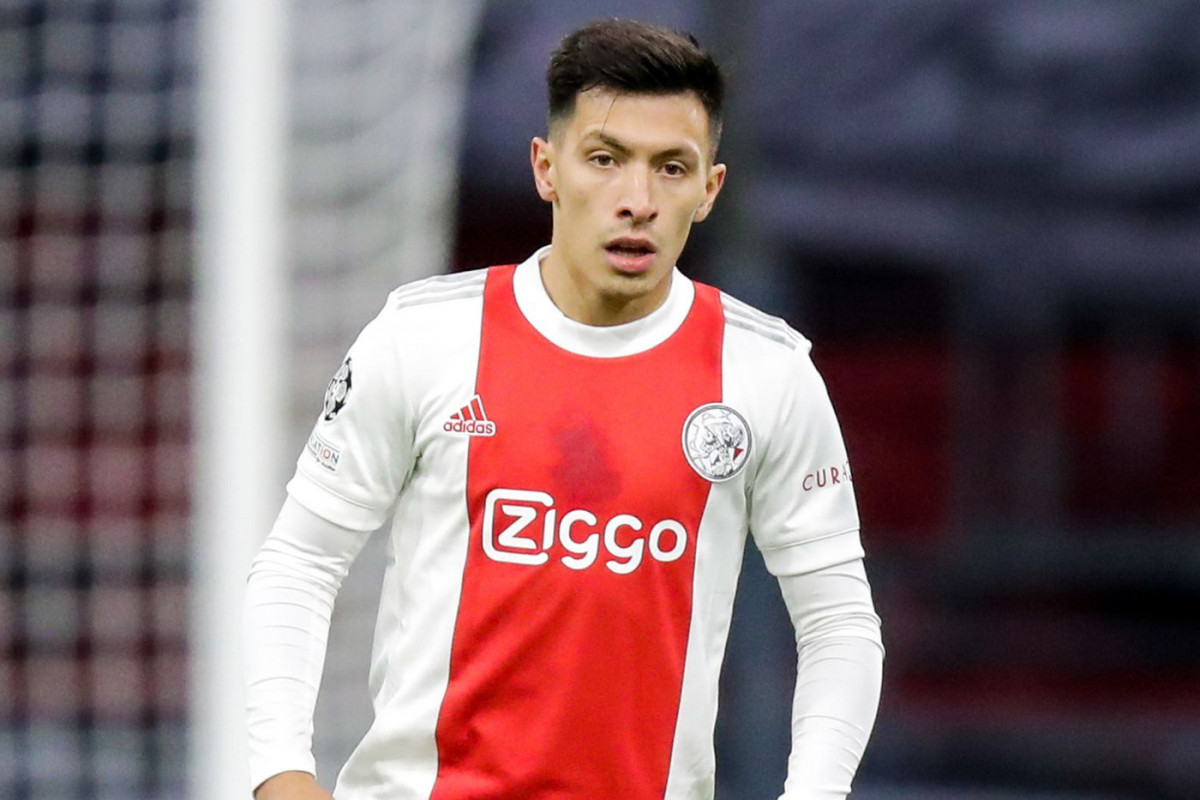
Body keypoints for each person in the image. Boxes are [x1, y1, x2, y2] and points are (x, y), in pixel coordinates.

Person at [244, 18, 883, 800]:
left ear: (710, 189)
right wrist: (280, 773)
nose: (638, 201)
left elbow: (839, 623)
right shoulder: (424, 336)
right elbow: (301, 562)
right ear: (547, 169)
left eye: (671, 168)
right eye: (606, 160)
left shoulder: (768, 373)